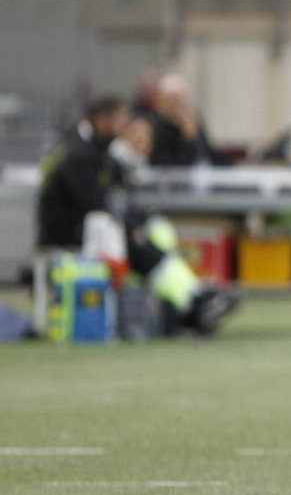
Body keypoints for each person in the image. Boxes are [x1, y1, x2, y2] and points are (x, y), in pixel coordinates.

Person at [36, 96, 235, 333]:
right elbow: (93, 204)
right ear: (102, 120)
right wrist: (131, 228)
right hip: (67, 234)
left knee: (153, 231)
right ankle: (188, 304)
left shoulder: (97, 150)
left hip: (89, 226)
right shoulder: (79, 153)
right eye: (120, 120)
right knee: (134, 242)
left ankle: (191, 297)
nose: (124, 126)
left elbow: (111, 200)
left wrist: (137, 223)